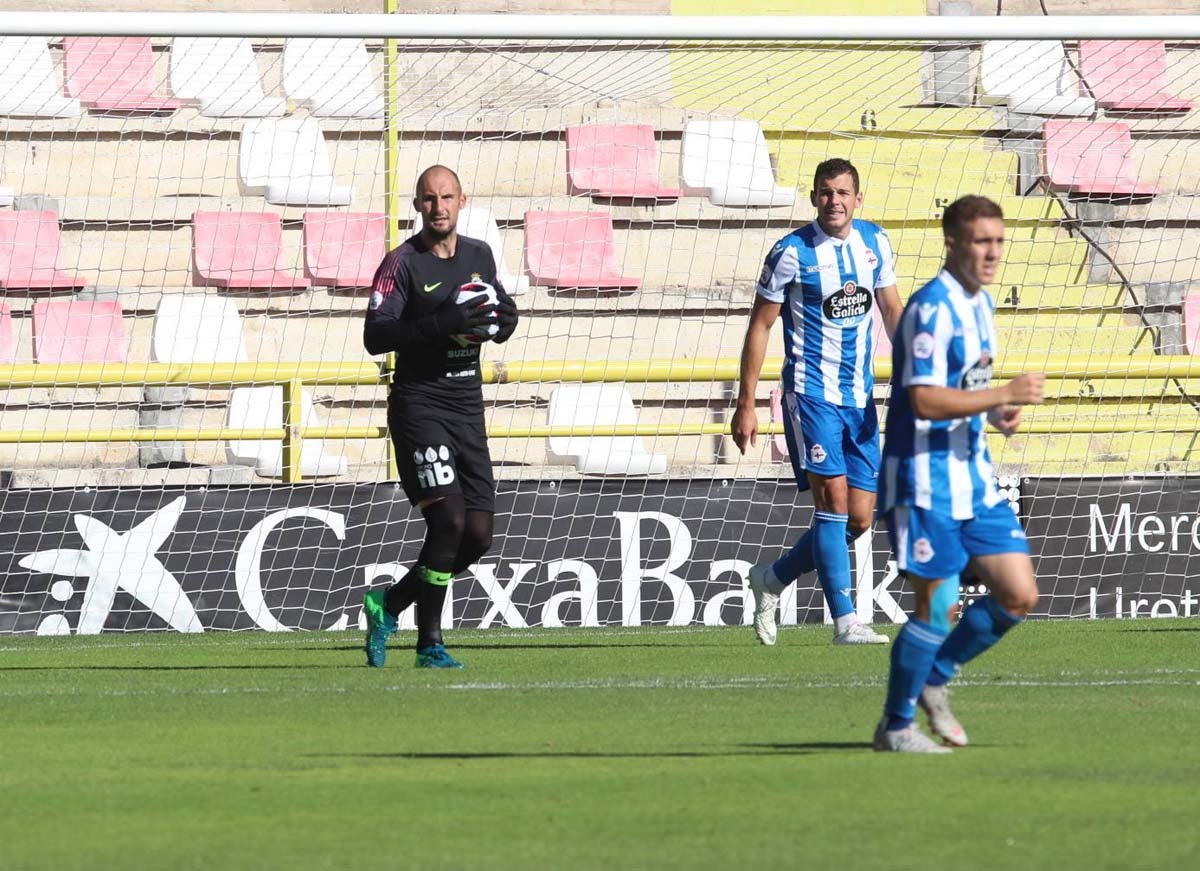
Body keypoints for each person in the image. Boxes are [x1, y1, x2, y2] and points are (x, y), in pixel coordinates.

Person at [873, 195, 1043, 753]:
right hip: (924, 481)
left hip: (973, 478)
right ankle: (895, 727)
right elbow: (923, 399)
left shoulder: (981, 304)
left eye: (998, 241)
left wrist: (997, 412)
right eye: (980, 241)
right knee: (938, 606)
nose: (992, 252)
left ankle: (936, 678)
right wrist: (1002, 393)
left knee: (1018, 593)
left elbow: (966, 387)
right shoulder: (930, 309)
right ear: (952, 243)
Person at [733, 158, 903, 646]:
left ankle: (772, 578)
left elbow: (892, 309)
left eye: (843, 193)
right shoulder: (791, 252)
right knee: (832, 503)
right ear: (813, 198)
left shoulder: (875, 243)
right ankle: (846, 621)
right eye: (826, 192)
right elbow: (761, 325)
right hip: (811, 395)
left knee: (860, 517)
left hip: (859, 399)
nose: (834, 201)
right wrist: (746, 402)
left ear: (858, 198)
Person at [360, 164, 518, 669]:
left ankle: (389, 604)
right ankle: (430, 644)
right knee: (448, 521)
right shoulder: (401, 263)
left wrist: (507, 320)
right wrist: (440, 322)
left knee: (478, 536)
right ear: (417, 205)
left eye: (447, 197)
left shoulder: (479, 255)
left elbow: (491, 310)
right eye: (429, 199)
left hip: (467, 406)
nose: (438, 207)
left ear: (461, 201)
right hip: (420, 404)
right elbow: (375, 336)